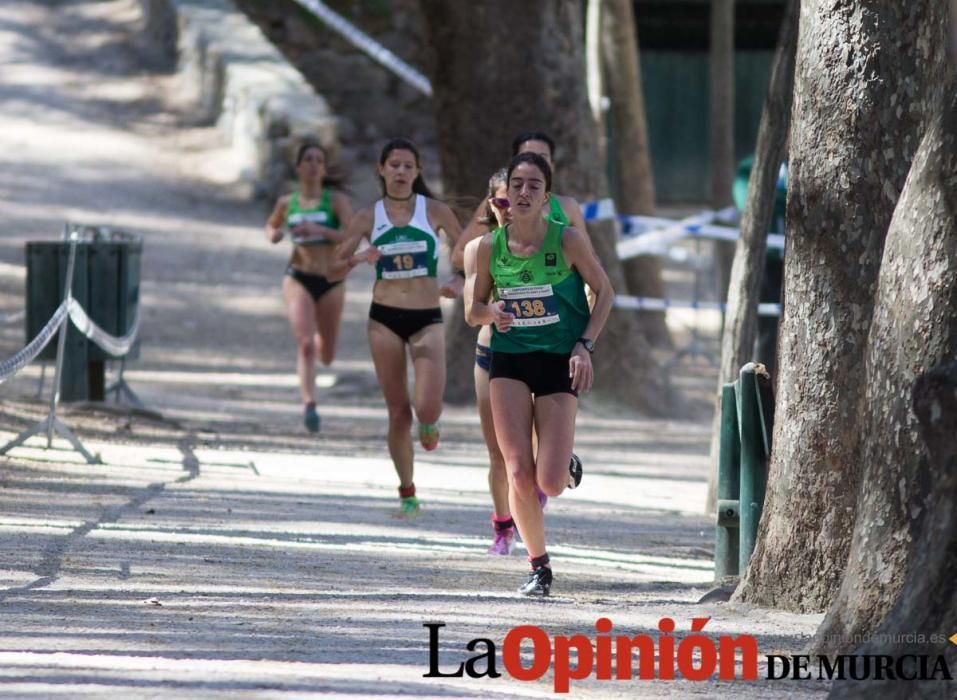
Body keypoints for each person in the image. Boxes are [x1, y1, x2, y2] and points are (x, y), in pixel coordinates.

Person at [467, 152, 613, 596]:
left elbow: (604, 292)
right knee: (517, 471)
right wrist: (490, 311)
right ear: (505, 195)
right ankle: (539, 565)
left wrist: (584, 345)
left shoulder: (566, 240)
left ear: (547, 196)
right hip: (509, 361)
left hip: (557, 360)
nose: (524, 192)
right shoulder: (490, 247)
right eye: (517, 184)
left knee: (549, 481)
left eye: (534, 185)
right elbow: (472, 312)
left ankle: (562, 460)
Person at [329, 138, 462, 518]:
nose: (401, 172)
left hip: (426, 318)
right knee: (398, 412)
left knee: (427, 406)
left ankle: (432, 422)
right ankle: (407, 492)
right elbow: (332, 269)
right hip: (384, 318)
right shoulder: (367, 218)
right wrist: (358, 257)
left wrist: (459, 279)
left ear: (417, 172)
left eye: (408, 166)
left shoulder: (434, 211)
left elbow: (470, 250)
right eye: (394, 165)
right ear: (382, 170)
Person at [265, 141, 354, 433]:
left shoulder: (336, 201)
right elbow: (271, 225)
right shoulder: (287, 202)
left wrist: (321, 231)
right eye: (308, 159)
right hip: (298, 276)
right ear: (299, 167)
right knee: (304, 344)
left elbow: (352, 236)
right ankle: (309, 404)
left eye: (319, 160)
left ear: (325, 168)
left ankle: (320, 350)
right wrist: (275, 234)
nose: (314, 164)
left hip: (331, 281)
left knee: (326, 353)